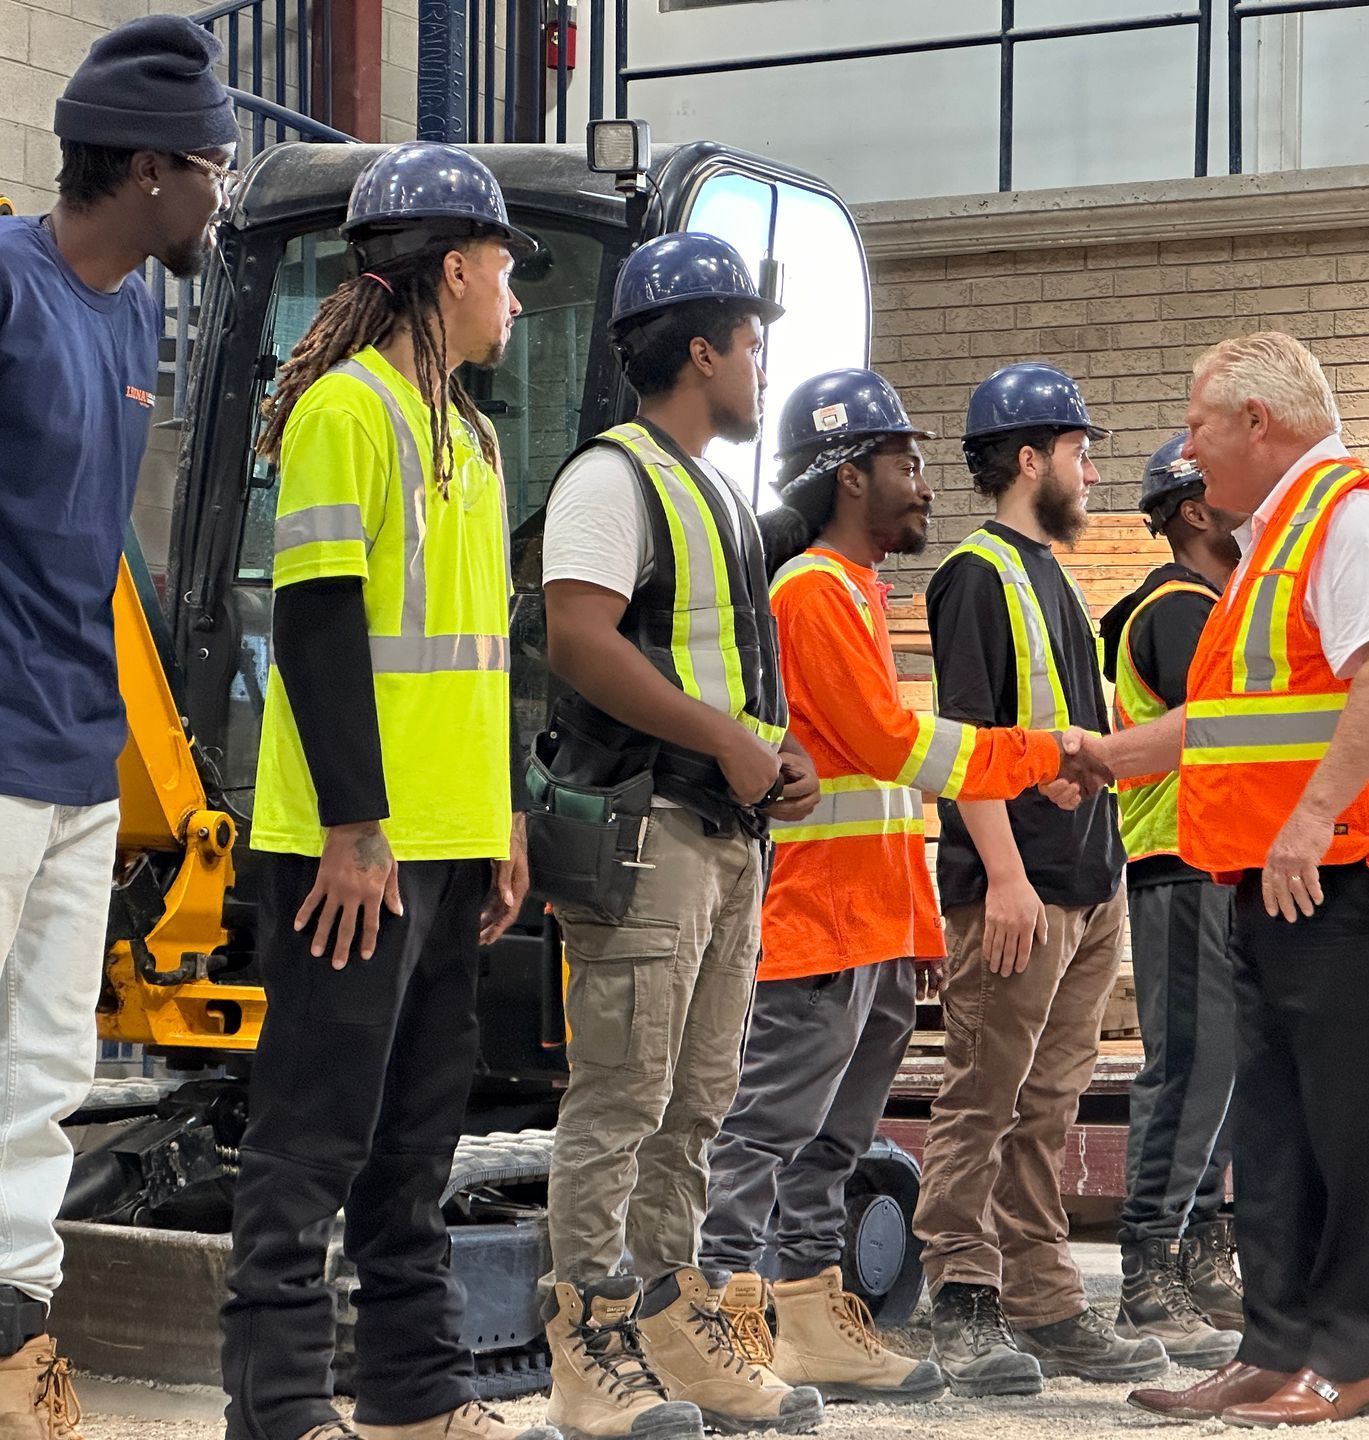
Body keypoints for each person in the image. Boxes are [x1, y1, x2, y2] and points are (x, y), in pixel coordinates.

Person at [1075, 332, 1369, 1428]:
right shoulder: (1277, 542)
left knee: (1346, 1117)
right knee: (1279, 1125)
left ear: (1261, 420)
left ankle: (1350, 1360)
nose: (1189, 448)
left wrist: (1311, 815)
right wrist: (1113, 757)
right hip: (1283, 871)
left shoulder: (1354, 514)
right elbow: (1238, 720)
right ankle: (1274, 1346)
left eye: (1200, 423)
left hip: (1355, 863)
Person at [218, 144, 551, 1440]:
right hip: (349, 853)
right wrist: (357, 832)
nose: (514, 298)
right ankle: (280, 1405)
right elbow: (314, 631)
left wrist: (506, 814)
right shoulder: (342, 414)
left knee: (412, 1155)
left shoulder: (469, 436)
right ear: (455, 268)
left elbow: (483, 657)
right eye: (507, 273)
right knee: (310, 1144)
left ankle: (413, 1394)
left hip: (448, 843)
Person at [697, 368, 1106, 1404]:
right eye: (904, 464)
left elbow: (874, 775)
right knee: (766, 1130)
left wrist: (918, 915)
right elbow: (892, 742)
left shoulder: (857, 593)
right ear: (847, 478)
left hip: (872, 916)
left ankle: (805, 1306)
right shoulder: (809, 594)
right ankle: (729, 1315)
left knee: (835, 1141)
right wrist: (1035, 754)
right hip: (819, 921)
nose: (924, 484)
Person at [532, 232, 823, 1437]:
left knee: (697, 1102)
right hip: (647, 833)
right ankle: (585, 1352)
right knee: (621, 1100)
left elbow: (703, 657)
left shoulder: (710, 490)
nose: (763, 365)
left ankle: (668, 1327)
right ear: (700, 350)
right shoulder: (612, 480)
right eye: (752, 343)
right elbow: (580, 640)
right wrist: (725, 737)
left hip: (718, 836)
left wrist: (767, 755)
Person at [0, 17, 234, 1437]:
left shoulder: (138, 310)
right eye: (210, 164)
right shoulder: (8, 290)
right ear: (147, 169)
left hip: (82, 756)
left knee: (43, 1072)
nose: (220, 189)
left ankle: (15, 1336)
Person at [910, 362, 1163, 1397]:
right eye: (1079, 450)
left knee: (1049, 1102)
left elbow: (1062, 737)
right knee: (984, 1096)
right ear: (1029, 458)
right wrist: (1005, 877)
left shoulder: (1050, 574)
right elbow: (965, 743)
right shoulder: (976, 574)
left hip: (1086, 880)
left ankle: (1043, 1295)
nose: (1093, 468)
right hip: (1018, 887)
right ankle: (962, 1294)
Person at [1094, 434, 1244, 1368]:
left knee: (1225, 1070)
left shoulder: (1217, 606)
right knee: (1189, 1066)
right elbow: (1231, 718)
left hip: (1219, 862)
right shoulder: (1180, 608)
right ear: (1194, 510)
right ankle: (1148, 1270)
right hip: (1180, 860)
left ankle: (1200, 1244)